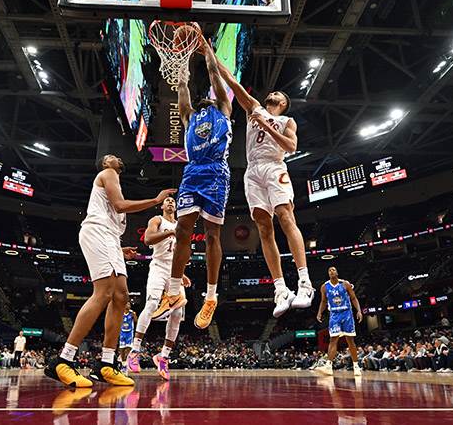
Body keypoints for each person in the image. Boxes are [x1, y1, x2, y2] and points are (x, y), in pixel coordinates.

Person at [44, 154, 176, 388]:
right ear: (105, 164)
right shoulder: (108, 174)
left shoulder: (115, 183)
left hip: (110, 240)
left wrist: (118, 248)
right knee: (103, 293)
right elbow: (119, 206)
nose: (115, 157)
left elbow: (115, 211)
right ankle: (63, 359)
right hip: (98, 233)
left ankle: (106, 363)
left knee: (121, 297)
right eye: (110, 157)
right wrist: (156, 200)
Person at [214, 57, 313, 318]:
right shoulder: (254, 109)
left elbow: (290, 148)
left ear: (282, 104)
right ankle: (280, 289)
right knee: (262, 226)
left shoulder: (287, 121)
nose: (272, 93)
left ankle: (304, 283)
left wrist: (269, 127)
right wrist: (208, 54)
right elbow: (232, 82)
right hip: (252, 170)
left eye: (277, 94)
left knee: (285, 216)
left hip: (274, 166)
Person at [152, 34, 233, 330]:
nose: (204, 98)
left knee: (212, 235)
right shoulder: (189, 117)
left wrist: (206, 48)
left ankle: (211, 296)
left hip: (215, 173)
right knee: (182, 231)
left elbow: (213, 74)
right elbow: (182, 87)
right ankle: (173, 293)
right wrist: (182, 58)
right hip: (192, 172)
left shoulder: (223, 107)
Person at [126, 197, 191, 380]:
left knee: (178, 313)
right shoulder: (157, 220)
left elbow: (179, 252)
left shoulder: (180, 225)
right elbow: (148, 239)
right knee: (152, 303)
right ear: (162, 206)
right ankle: (134, 351)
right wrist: (170, 233)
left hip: (175, 270)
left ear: (176, 207)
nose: (170, 202)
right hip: (158, 266)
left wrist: (182, 273)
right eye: (167, 201)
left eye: (173, 201)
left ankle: (163, 356)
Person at [315, 267, 362, 376]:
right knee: (333, 340)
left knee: (350, 340)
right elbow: (323, 301)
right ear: (328, 274)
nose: (331, 271)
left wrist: (359, 311)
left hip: (346, 313)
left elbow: (354, 298)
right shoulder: (324, 287)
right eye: (329, 270)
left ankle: (356, 366)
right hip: (334, 315)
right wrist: (319, 313)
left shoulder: (345, 284)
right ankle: (328, 366)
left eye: (333, 270)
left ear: (337, 272)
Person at [117, 302, 137, 373]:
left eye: (129, 304)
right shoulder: (121, 313)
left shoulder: (132, 313)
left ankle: (125, 364)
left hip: (129, 333)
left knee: (128, 349)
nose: (128, 305)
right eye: (126, 304)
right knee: (122, 350)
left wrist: (134, 315)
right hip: (122, 333)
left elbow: (135, 321)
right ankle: (123, 364)